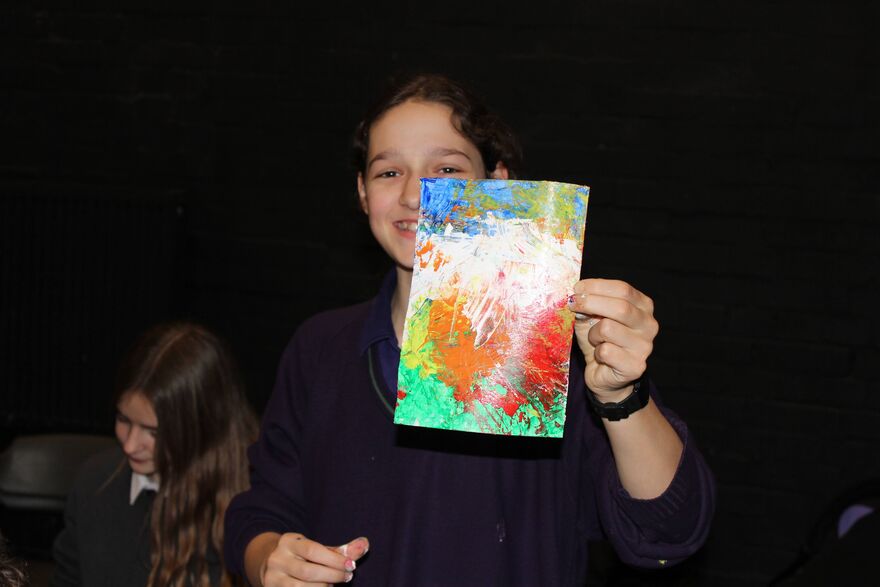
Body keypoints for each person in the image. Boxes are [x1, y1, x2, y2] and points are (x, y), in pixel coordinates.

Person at [224, 73, 716, 586]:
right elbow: (261, 511)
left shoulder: (557, 355)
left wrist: (621, 396)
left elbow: (667, 532)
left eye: (446, 168)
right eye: (389, 172)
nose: (415, 195)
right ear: (363, 195)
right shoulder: (321, 348)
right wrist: (268, 561)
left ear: (497, 182)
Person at [51, 322, 258, 587]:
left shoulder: (250, 502)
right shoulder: (95, 483)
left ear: (202, 427)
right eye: (124, 420)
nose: (129, 446)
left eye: (154, 433)